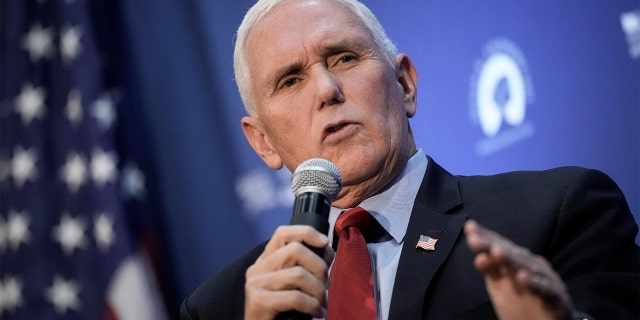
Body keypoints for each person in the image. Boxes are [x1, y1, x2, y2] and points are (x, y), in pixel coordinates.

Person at [180, 0, 640, 319]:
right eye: (290, 81)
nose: (326, 90)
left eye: (343, 57)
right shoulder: (222, 307)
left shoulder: (556, 212)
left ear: (404, 84)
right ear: (262, 142)